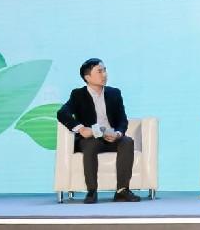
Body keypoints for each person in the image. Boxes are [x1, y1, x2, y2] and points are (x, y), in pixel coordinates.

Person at [56, 58, 141, 204]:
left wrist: (118, 134)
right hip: (91, 138)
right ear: (87, 77)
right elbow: (62, 113)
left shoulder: (114, 93)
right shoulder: (78, 95)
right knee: (90, 144)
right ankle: (92, 191)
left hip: (111, 137)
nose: (104, 75)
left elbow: (122, 120)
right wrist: (80, 128)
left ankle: (122, 190)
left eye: (105, 70)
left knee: (127, 142)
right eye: (100, 71)